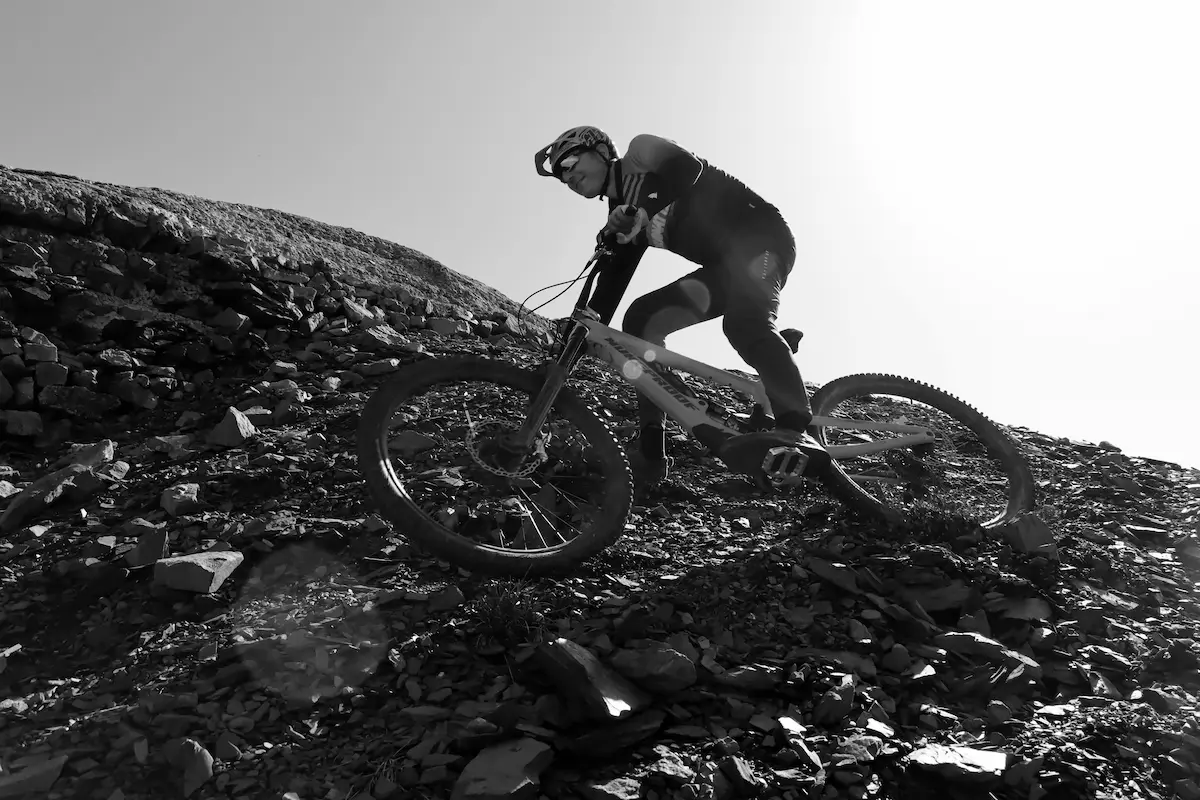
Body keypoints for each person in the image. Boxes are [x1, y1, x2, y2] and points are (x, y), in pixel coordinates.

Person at [534, 125, 827, 487]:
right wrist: (573, 345)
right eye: (561, 175)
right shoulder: (622, 218)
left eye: (571, 160)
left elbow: (687, 170)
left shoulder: (641, 153)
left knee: (744, 325)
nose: (568, 175)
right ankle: (652, 453)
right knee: (640, 319)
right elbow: (608, 294)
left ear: (600, 151)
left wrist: (640, 212)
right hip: (723, 268)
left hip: (762, 239)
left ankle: (795, 429)